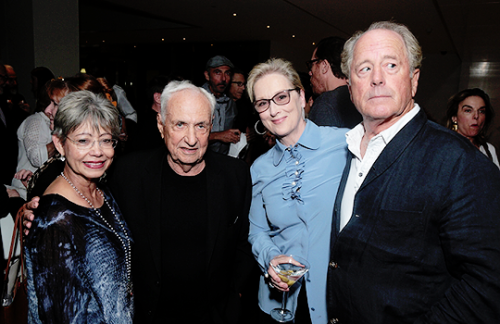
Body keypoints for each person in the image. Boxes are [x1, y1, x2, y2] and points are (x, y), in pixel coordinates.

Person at [23, 80, 253, 323]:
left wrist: (234, 293)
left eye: (201, 126)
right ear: (161, 126)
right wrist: (33, 212)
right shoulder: (127, 173)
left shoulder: (235, 175)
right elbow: (62, 195)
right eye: (180, 124)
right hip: (147, 316)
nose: (191, 138)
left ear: (212, 125)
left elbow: (244, 241)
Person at [326, 21, 500, 324]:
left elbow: (487, 284)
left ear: (414, 79)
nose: (377, 78)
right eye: (364, 69)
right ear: (350, 85)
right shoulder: (349, 149)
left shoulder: (460, 162)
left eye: (391, 65)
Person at [246, 58, 348, 324]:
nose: (273, 110)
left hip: (334, 299)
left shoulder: (345, 144)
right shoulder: (259, 168)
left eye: (281, 97)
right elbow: (257, 231)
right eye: (263, 103)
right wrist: (270, 259)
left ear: (301, 96)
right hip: (282, 302)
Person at [25, 90, 133, 323]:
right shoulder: (54, 222)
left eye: (105, 140)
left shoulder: (99, 191)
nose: (97, 151)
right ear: (60, 144)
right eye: (83, 140)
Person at [11, 79, 69, 198]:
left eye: (55, 103)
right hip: (23, 190)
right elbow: (36, 158)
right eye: (50, 102)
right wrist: (59, 139)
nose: (48, 110)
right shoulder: (36, 121)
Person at [306, 37, 362, 128]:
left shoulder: (325, 105)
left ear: (324, 66)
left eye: (312, 64)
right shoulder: (361, 98)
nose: (310, 72)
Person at [445, 88, 499, 167]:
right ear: (454, 117)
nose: (476, 116)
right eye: (468, 110)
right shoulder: (444, 148)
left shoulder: (489, 150)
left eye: (481, 111)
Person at [202, 55, 240, 154]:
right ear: (207, 75)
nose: (223, 79)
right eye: (217, 72)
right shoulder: (195, 100)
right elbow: (185, 136)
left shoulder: (231, 104)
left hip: (223, 161)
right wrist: (217, 136)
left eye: (227, 73)